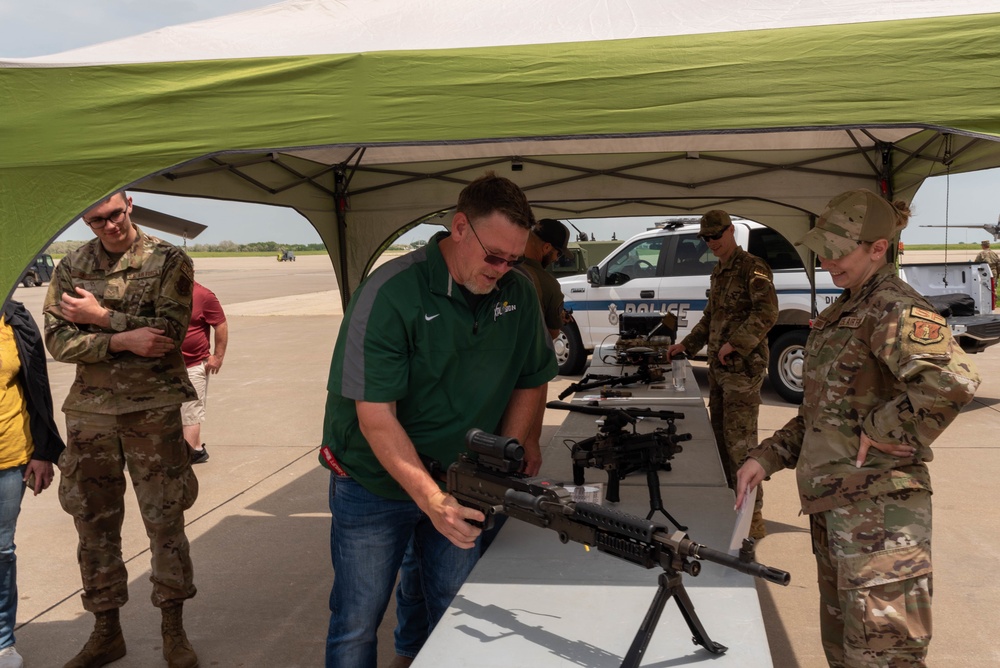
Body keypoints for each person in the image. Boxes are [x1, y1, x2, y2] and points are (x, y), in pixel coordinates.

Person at [319, 172, 557, 668]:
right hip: (374, 482)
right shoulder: (390, 293)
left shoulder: (519, 292)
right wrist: (432, 500)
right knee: (357, 620)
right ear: (460, 227)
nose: (502, 270)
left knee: (460, 608)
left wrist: (504, 460)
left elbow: (532, 377)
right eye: (494, 255)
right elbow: (376, 418)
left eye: (514, 259)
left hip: (463, 479)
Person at [734, 189, 980, 667]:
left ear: (878, 248)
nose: (827, 260)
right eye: (823, 248)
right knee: (846, 653)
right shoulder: (848, 308)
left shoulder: (893, 307)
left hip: (880, 521)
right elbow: (820, 415)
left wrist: (882, 428)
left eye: (839, 249)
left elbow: (952, 381)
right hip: (838, 512)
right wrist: (764, 458)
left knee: (882, 658)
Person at [43, 190, 201, 668]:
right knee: (93, 523)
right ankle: (106, 631)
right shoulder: (70, 266)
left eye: (114, 214)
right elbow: (56, 339)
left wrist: (101, 318)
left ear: (128, 203)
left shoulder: (169, 259)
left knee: (164, 518)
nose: (108, 226)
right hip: (90, 414)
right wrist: (122, 340)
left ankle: (173, 630)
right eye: (96, 220)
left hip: (152, 411)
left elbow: (168, 335)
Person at [666, 210, 777, 539]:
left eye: (716, 235)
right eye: (706, 238)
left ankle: (753, 520)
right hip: (720, 372)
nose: (712, 242)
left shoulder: (752, 268)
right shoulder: (719, 273)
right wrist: (685, 345)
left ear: (731, 231)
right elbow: (709, 319)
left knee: (740, 446)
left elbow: (768, 313)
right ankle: (735, 507)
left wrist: (736, 344)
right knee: (721, 442)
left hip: (742, 372)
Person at [0, 300, 65, 668]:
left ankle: (3, 643)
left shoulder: (14, 317)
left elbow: (36, 384)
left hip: (10, 455)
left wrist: (42, 450)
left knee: (1, 551)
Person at [517, 217, 570, 470]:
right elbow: (550, 334)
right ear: (547, 248)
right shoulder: (546, 282)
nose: (557, 259)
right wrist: (532, 442)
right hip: (521, 380)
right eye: (558, 253)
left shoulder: (500, 267)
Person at [181, 281, 228, 463]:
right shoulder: (161, 291)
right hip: (166, 366)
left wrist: (218, 356)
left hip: (193, 365)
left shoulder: (203, 295)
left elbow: (221, 325)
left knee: (190, 414)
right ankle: (197, 449)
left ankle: (185, 460)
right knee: (175, 413)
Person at [974, 240, 1000, 309]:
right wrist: (998, 274)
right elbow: (998, 265)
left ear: (983, 246)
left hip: (984, 273)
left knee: (984, 288)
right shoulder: (994, 253)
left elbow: (976, 264)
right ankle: (994, 304)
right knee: (993, 288)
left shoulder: (981, 254)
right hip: (994, 272)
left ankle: (985, 303)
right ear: (989, 245)